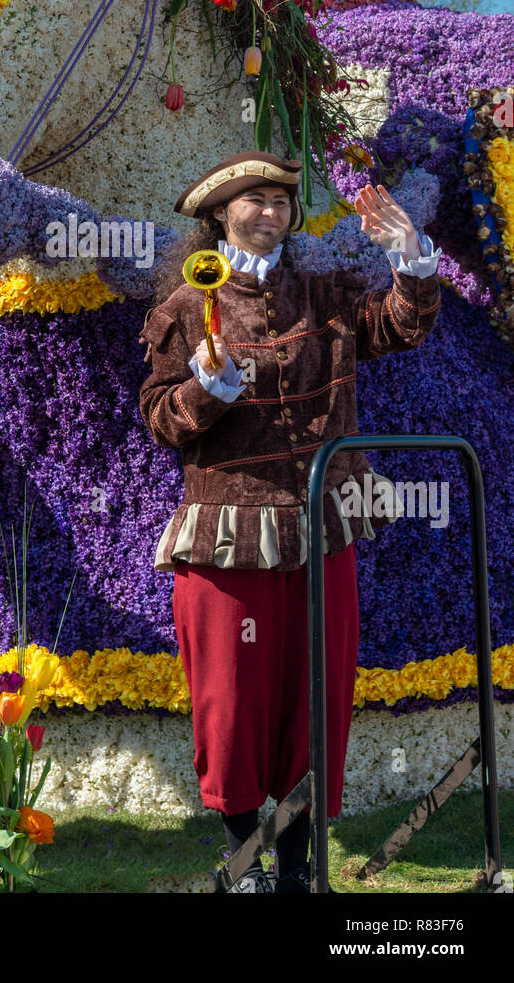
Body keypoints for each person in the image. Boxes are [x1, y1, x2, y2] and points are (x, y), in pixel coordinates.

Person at [139, 151, 442, 894]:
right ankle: (244, 864)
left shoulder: (325, 293)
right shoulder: (185, 306)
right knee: (231, 705)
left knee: (316, 702)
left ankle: (300, 871)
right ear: (219, 214)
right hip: (225, 535)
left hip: (321, 525)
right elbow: (157, 419)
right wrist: (203, 394)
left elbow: (401, 328)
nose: (272, 210)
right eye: (255, 199)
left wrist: (412, 261)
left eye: (282, 200)